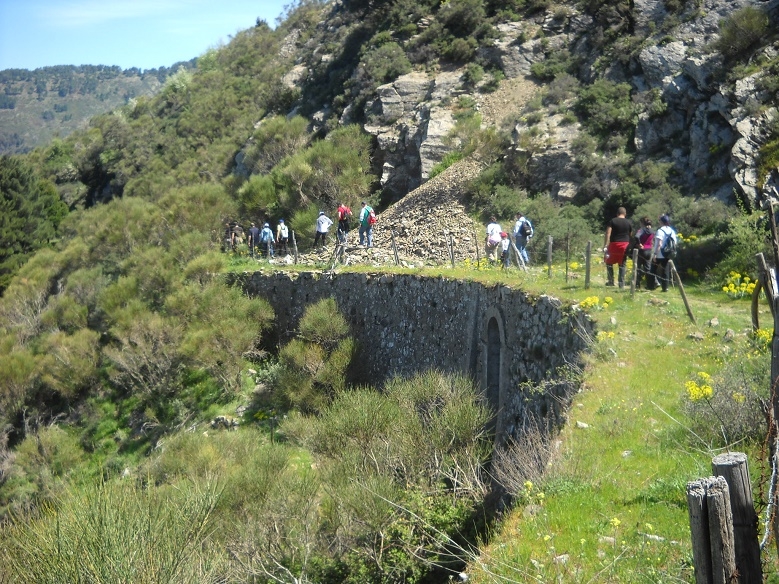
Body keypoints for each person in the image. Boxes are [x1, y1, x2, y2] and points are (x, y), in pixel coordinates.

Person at [603, 207, 632, 288]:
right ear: (625, 214)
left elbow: (608, 233)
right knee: (622, 264)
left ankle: (611, 281)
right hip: (625, 245)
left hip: (614, 244)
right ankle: (621, 284)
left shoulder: (612, 221)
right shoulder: (628, 222)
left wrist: (605, 245)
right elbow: (630, 235)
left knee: (609, 262)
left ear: (617, 213)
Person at [650, 214, 678, 292]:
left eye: (659, 221)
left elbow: (659, 243)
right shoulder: (672, 231)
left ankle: (651, 286)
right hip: (668, 253)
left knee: (652, 269)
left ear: (661, 222)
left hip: (660, 253)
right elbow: (675, 243)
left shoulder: (660, 230)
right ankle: (665, 288)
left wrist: (655, 254)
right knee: (665, 270)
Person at [634, 217, 656, 290]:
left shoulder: (642, 230)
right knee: (648, 269)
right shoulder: (652, 231)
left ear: (643, 223)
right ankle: (650, 286)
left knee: (638, 268)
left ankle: (637, 285)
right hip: (649, 250)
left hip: (641, 250)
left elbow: (637, 236)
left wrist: (639, 244)